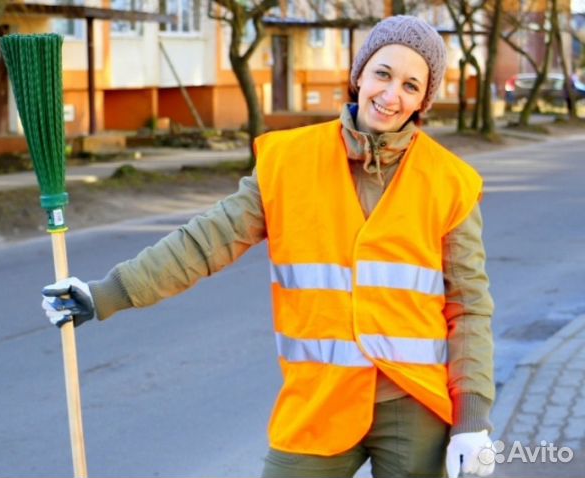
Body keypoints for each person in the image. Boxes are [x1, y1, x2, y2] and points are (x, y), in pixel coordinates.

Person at [42, 15, 496, 478]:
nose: (391, 94)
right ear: (359, 74)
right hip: (320, 399)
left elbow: (469, 306)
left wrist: (472, 420)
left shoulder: (450, 182)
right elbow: (204, 242)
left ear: (424, 99)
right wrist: (105, 294)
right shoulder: (289, 162)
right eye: (383, 73)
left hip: (412, 402)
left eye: (410, 85)